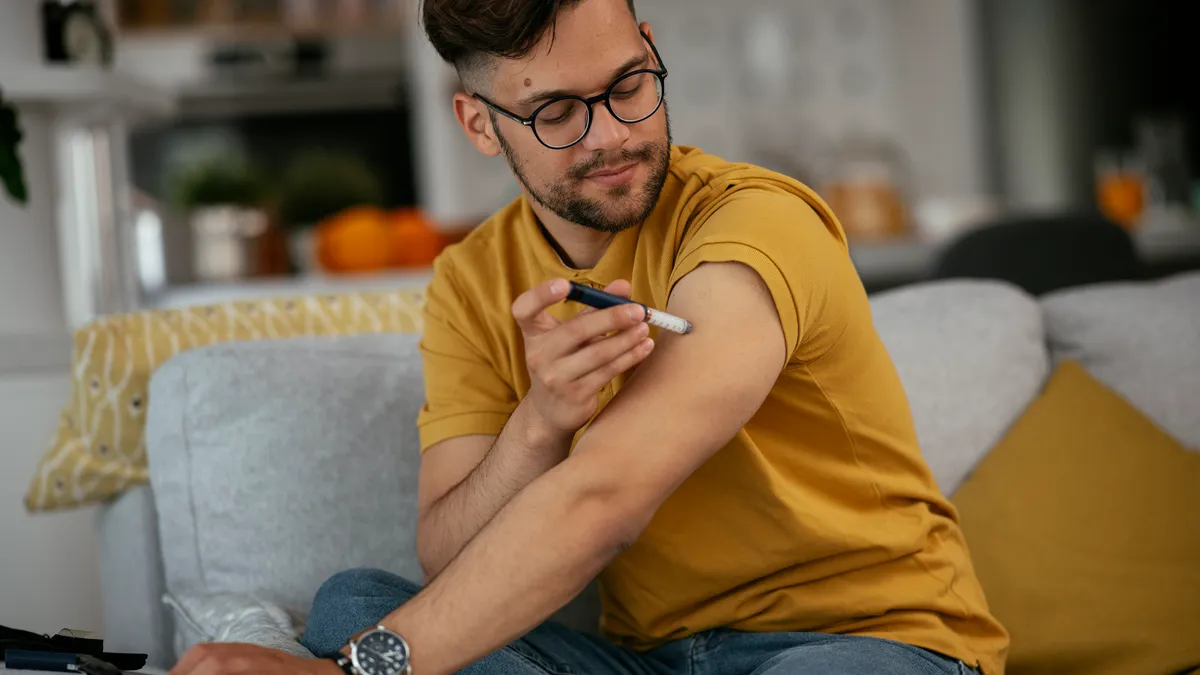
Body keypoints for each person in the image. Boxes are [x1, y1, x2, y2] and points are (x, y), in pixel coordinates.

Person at [168, 0, 1009, 674]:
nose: (611, 134)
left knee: (372, 643)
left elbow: (607, 499)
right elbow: (446, 558)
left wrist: (361, 674)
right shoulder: (472, 281)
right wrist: (540, 422)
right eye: (558, 111)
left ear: (649, 44)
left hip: (865, 642)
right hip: (653, 658)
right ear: (478, 123)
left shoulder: (756, 221)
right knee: (354, 600)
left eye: (630, 84)